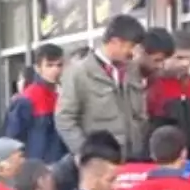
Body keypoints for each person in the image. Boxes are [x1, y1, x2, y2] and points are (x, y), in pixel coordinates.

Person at [57, 15, 149, 161]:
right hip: (101, 163)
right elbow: (64, 120)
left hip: (134, 158)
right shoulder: (79, 73)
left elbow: (140, 116)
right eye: (130, 46)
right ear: (115, 42)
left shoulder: (132, 71)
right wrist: (86, 154)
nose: (133, 53)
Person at [4, 44, 68, 164]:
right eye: (49, 65)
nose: (55, 70)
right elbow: (12, 140)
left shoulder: (65, 95)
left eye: (59, 65)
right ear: (38, 68)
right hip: (37, 170)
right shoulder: (26, 99)